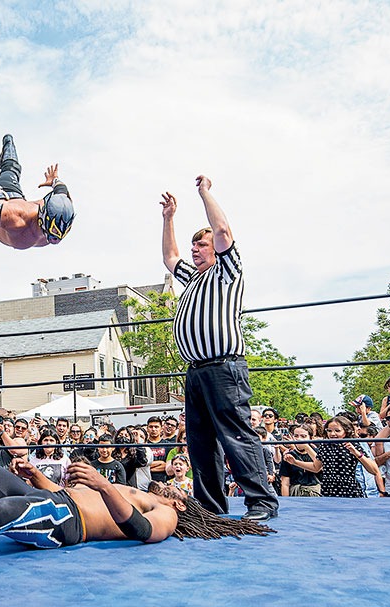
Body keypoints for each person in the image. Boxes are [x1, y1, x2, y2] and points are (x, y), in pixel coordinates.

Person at [0, 443, 273, 577]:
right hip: (52, 501)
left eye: (177, 483)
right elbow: (64, 493)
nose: (171, 478)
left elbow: (138, 530)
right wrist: (35, 476)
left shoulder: (168, 513)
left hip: (65, 525)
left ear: (183, 502)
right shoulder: (142, 490)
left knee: (4, 508)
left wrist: (101, 482)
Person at [159, 176, 278, 521]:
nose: (195, 249)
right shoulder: (193, 278)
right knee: (200, 442)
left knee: (237, 434)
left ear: (216, 250)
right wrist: (169, 218)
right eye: (194, 244)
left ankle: (262, 501)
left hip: (224, 366)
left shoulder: (228, 271)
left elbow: (223, 230)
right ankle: (211, 507)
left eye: (202, 244)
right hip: (196, 371)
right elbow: (170, 257)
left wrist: (204, 193)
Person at [284, 417, 380, 498]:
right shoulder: (325, 446)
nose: (332, 434)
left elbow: (374, 470)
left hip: (349, 490)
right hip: (328, 490)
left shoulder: (353, 444)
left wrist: (356, 453)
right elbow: (316, 468)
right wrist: (295, 462)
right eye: (329, 431)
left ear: (346, 431)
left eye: (337, 431)